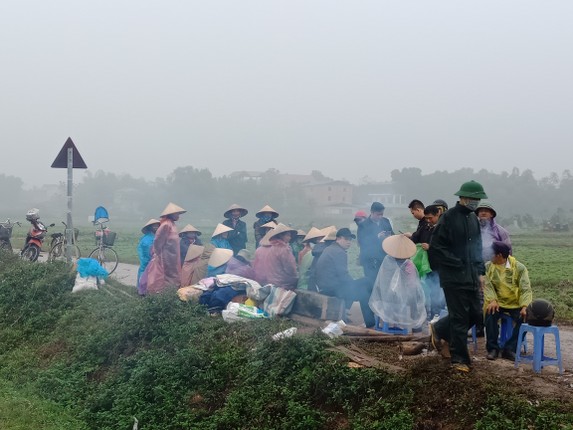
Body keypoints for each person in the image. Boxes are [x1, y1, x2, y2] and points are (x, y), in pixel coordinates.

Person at [428, 180, 487, 373]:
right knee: (460, 317)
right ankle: (459, 359)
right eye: (472, 198)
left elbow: (477, 248)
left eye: (477, 199)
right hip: (453, 277)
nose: (475, 202)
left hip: (470, 276)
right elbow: (437, 247)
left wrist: (480, 272)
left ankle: (440, 329)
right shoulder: (448, 218)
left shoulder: (473, 220)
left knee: (476, 314)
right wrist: (457, 262)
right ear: (461, 197)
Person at [316, 228, 376, 328]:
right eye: (346, 239)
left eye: (350, 240)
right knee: (366, 285)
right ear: (338, 238)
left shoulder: (330, 249)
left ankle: (365, 320)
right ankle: (370, 323)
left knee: (363, 286)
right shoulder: (339, 252)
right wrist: (353, 285)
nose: (349, 242)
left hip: (326, 287)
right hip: (332, 289)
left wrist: (353, 284)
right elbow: (343, 275)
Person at [484, 241, 532, 361]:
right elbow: (487, 285)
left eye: (491, 254)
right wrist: (492, 300)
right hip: (497, 302)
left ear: (499, 255)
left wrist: (525, 306)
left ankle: (510, 348)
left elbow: (525, 289)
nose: (489, 256)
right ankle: (492, 348)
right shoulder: (488, 267)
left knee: (527, 318)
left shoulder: (519, 268)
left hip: (515, 303)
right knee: (490, 313)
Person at [369, 234, 427, 331]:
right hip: (400, 297)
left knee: (402, 296)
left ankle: (393, 322)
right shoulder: (408, 264)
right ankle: (416, 328)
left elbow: (382, 279)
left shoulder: (387, 260)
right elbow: (412, 284)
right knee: (415, 299)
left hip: (386, 295)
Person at [143, 202, 186, 294]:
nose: (178, 215)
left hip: (174, 256)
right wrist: (158, 254)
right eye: (176, 213)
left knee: (174, 274)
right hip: (166, 256)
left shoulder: (173, 225)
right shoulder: (166, 225)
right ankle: (164, 294)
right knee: (166, 276)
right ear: (171, 214)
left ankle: (172, 294)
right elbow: (158, 240)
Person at [252, 223, 298, 290]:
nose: (290, 238)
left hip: (264, 283)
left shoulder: (262, 249)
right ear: (281, 236)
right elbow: (290, 268)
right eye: (288, 235)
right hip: (282, 284)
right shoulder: (283, 249)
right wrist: (295, 277)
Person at [357, 202, 394, 281]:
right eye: (378, 214)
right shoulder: (363, 225)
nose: (380, 217)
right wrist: (377, 237)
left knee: (384, 281)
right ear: (372, 212)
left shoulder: (386, 221)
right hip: (369, 259)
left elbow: (392, 234)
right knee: (371, 281)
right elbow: (361, 242)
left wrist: (389, 237)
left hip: (384, 257)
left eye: (382, 214)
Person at [137, 218, 160, 295]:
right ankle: (142, 291)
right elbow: (147, 251)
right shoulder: (147, 239)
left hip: (151, 258)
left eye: (157, 226)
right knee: (145, 273)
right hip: (146, 259)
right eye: (154, 226)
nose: (156, 227)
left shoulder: (155, 236)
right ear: (150, 227)